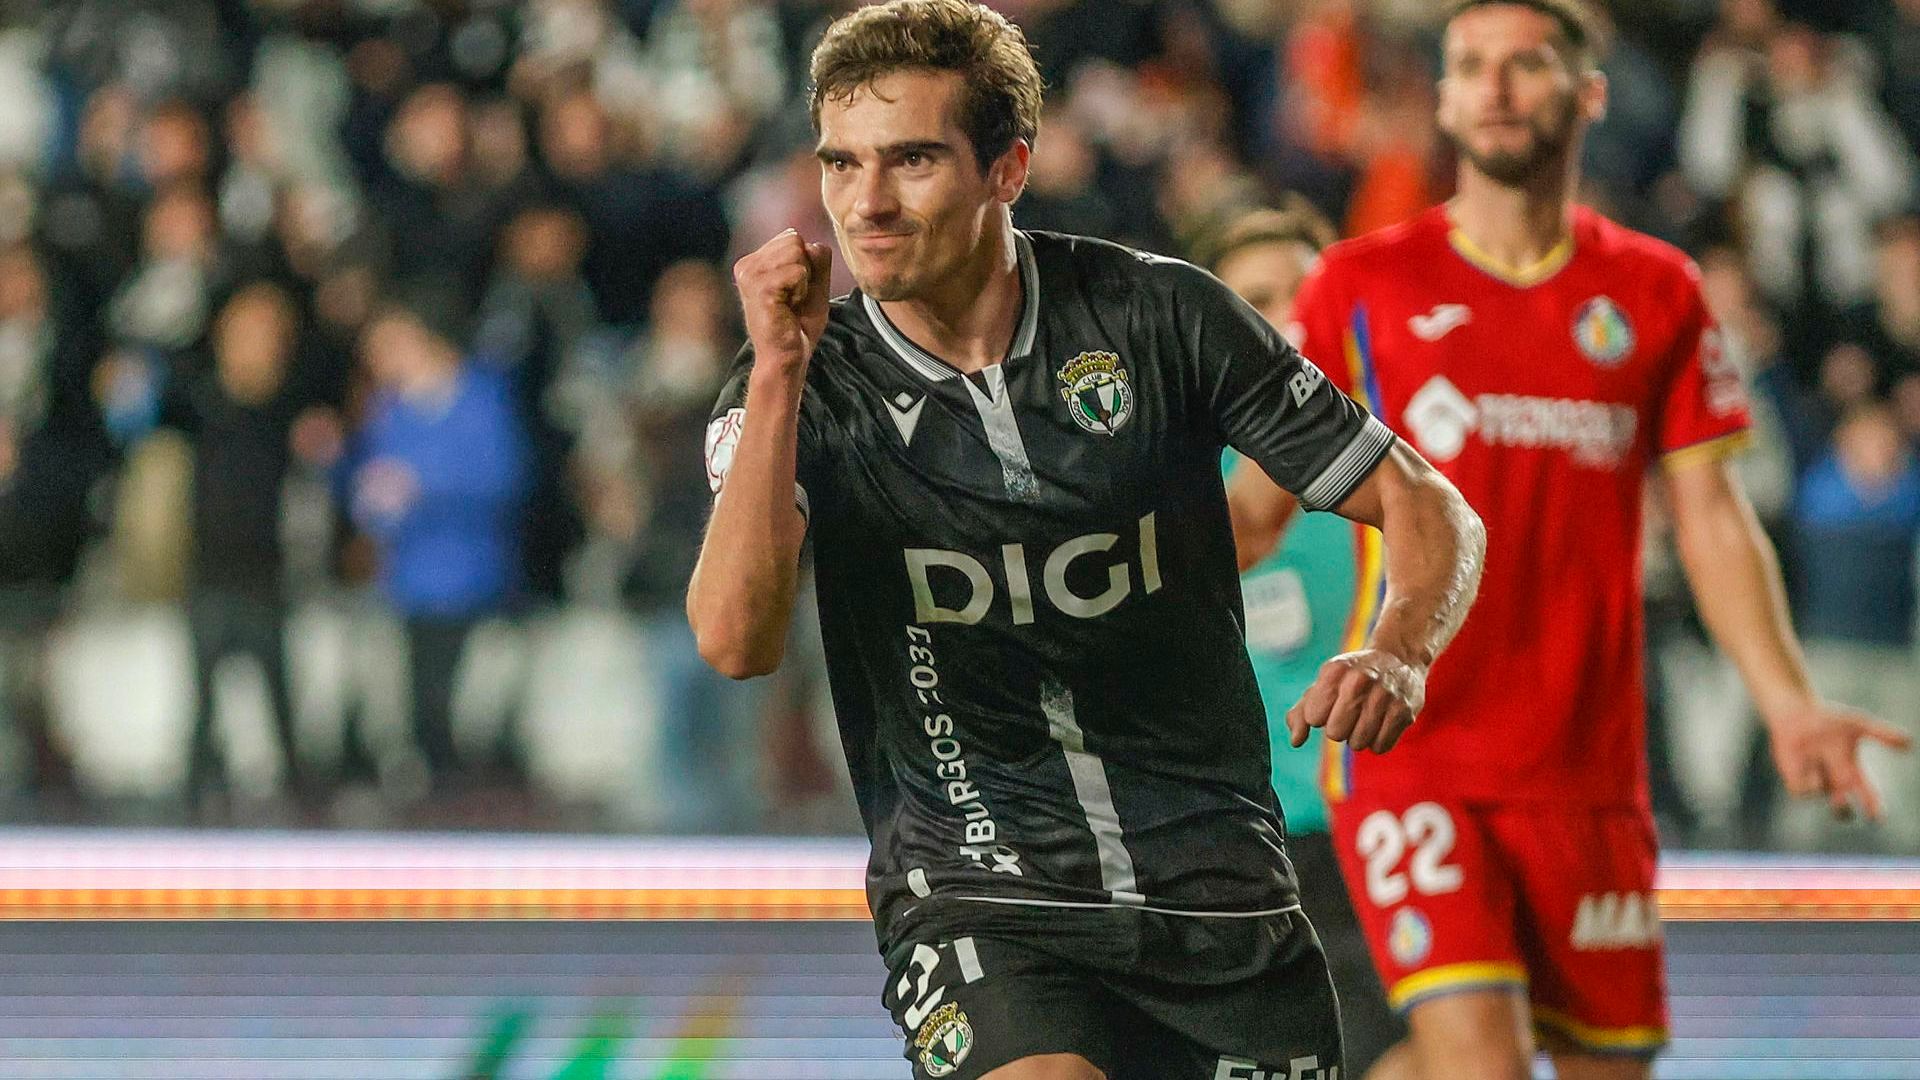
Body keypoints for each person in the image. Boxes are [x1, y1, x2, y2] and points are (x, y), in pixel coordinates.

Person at [686, 3, 1487, 1078]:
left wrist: (1398, 647)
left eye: (912, 160)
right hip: (979, 898)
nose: (865, 203)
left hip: (1222, 894)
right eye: (842, 163)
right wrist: (779, 371)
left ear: (1008, 169)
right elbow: (735, 639)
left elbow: (1429, 503)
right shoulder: (800, 383)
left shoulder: (1161, 319)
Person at [1230, 4, 1912, 1078]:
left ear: (1589, 93)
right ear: (1445, 101)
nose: (1497, 88)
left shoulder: (1656, 292)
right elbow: (1254, 509)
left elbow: (1712, 515)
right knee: (1477, 1064)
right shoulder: (1360, 288)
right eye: (1472, 68)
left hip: (1589, 772)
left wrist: (1787, 703)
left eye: (1527, 65)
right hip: (1421, 761)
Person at [1205, 204, 1410, 1078]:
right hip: (1244, 847)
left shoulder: (1406, 472)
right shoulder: (1179, 476)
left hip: (1389, 825)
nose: (1290, 319)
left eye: (1306, 292)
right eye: (1256, 301)